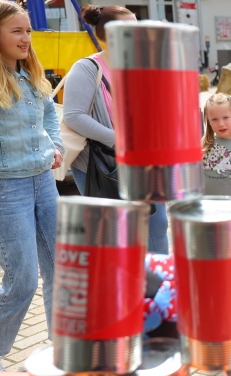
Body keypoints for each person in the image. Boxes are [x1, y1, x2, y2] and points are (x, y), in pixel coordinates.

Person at [65, 6, 170, 254]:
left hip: (145, 161)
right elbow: (74, 116)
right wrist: (119, 140)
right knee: (114, 235)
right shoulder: (87, 68)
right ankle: (122, 277)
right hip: (103, 164)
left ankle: (158, 275)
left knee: (157, 225)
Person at [0, 2, 63, 372]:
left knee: (62, 268)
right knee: (22, 279)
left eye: (28, 31)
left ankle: (63, 350)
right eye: (17, 31)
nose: (26, 38)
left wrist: (56, 145)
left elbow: (50, 112)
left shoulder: (32, 73)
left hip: (44, 182)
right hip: (8, 190)